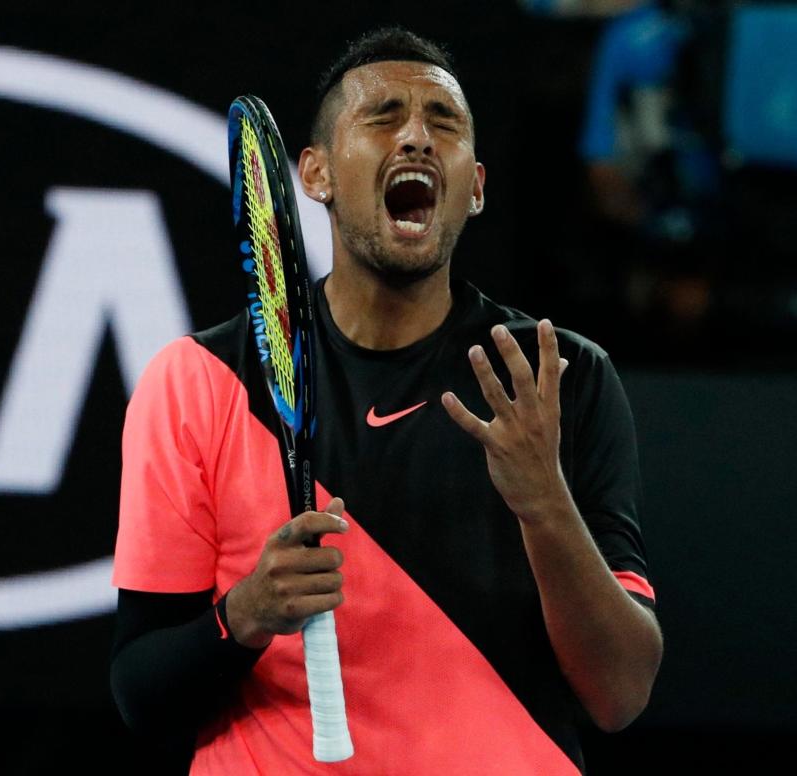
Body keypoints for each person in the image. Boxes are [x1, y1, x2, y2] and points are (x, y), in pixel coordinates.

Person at [110, 26, 662, 775]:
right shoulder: (199, 381)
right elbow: (143, 696)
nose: (416, 138)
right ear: (316, 173)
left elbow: (620, 694)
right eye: (382, 117)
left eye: (445, 123)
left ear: (475, 187)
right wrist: (243, 617)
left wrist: (544, 505)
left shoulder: (560, 377)